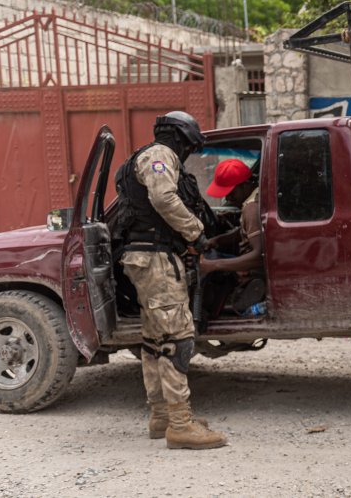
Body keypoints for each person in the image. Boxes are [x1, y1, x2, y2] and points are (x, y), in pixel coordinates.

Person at [113, 110, 228, 450]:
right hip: (157, 260)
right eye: (190, 146)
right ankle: (180, 423)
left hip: (145, 259)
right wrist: (195, 232)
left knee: (154, 339)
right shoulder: (160, 155)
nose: (189, 153)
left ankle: (162, 415)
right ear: (181, 138)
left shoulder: (145, 157)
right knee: (177, 338)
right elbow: (163, 198)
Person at [199, 159, 266, 315]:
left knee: (213, 270)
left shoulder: (251, 209)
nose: (228, 199)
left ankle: (246, 291)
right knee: (215, 258)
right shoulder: (253, 198)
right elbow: (243, 231)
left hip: (252, 271)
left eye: (231, 193)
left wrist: (214, 266)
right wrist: (217, 240)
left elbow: (258, 256)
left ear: (244, 185)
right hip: (246, 264)